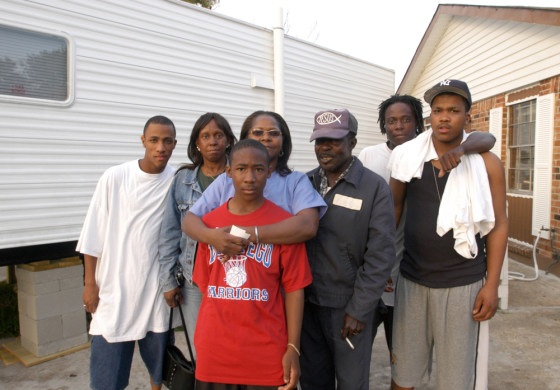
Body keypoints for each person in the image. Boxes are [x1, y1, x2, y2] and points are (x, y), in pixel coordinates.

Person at [389, 80, 508, 390]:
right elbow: (393, 212)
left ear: (467, 116)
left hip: (463, 284)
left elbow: (498, 225)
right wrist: (383, 265)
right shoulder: (409, 157)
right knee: (403, 377)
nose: (444, 117)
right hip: (413, 280)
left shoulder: (487, 163)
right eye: (437, 110)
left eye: (454, 110)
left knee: (456, 381)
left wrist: (492, 284)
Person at [358, 95, 496, 358]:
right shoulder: (373, 156)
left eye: (406, 120)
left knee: (401, 336)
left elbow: (486, 138)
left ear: (419, 123)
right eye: (391, 121)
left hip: (414, 261)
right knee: (374, 329)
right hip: (386, 252)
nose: (398, 126)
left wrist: (462, 150)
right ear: (383, 124)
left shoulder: (433, 152)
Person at [192, 139, 312, 390]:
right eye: (241, 169)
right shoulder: (210, 227)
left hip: (266, 354)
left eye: (258, 169)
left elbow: (294, 290)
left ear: (269, 171)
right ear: (228, 172)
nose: (250, 177)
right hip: (215, 353)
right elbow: (206, 288)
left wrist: (293, 347)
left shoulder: (284, 226)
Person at [77, 115, 178, 390]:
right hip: (113, 295)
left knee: (160, 373)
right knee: (107, 380)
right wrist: (90, 283)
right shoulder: (116, 176)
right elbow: (92, 234)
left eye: (167, 141)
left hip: (155, 295)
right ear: (143, 141)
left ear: (175, 144)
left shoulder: (177, 181)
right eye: (154, 140)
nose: (161, 147)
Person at [300, 109, 396, 390]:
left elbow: (380, 256)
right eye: (320, 141)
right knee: (313, 381)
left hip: (347, 307)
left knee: (352, 383)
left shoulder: (374, 189)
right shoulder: (303, 184)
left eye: (334, 140)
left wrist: (359, 309)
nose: (325, 147)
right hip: (306, 305)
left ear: (352, 143)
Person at [182, 110, 326, 255]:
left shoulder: (295, 181)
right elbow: (190, 220)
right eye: (258, 132)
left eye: (274, 133)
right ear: (245, 139)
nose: (266, 137)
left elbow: (308, 226)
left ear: (284, 142)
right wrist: (212, 237)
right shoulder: (226, 180)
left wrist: (246, 234)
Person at [158, 112, 237, 356]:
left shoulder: (240, 176)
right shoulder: (183, 179)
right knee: (200, 349)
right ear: (197, 144)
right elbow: (169, 233)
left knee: (232, 345)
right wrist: (168, 281)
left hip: (232, 278)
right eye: (206, 136)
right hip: (193, 280)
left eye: (218, 135)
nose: (213, 141)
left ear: (228, 141)